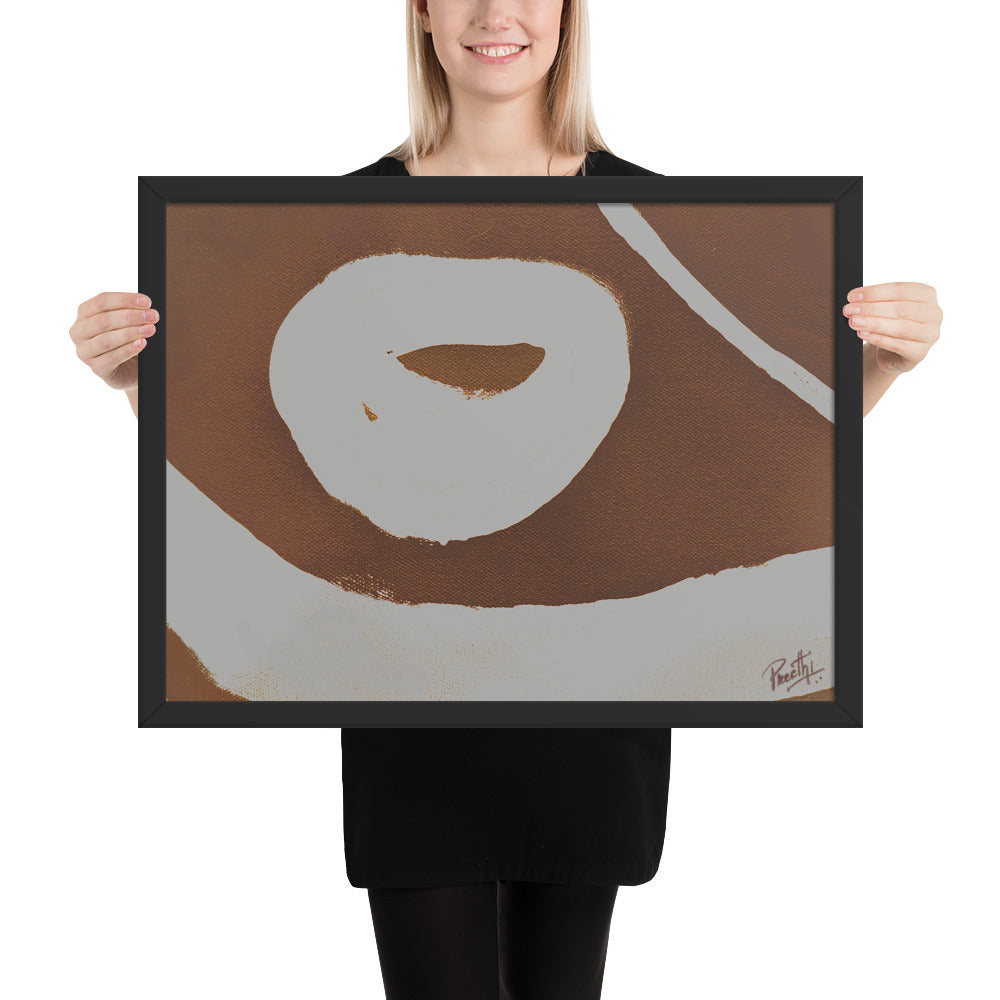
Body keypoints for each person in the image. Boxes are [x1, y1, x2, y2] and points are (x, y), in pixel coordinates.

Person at [68, 2, 943, 997]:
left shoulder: (673, 226)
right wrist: (139, 387)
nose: (497, 14)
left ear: (568, 14)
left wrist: (880, 368)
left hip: (595, 713)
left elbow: (756, 457)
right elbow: (251, 467)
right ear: (422, 13)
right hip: (406, 707)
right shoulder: (318, 230)